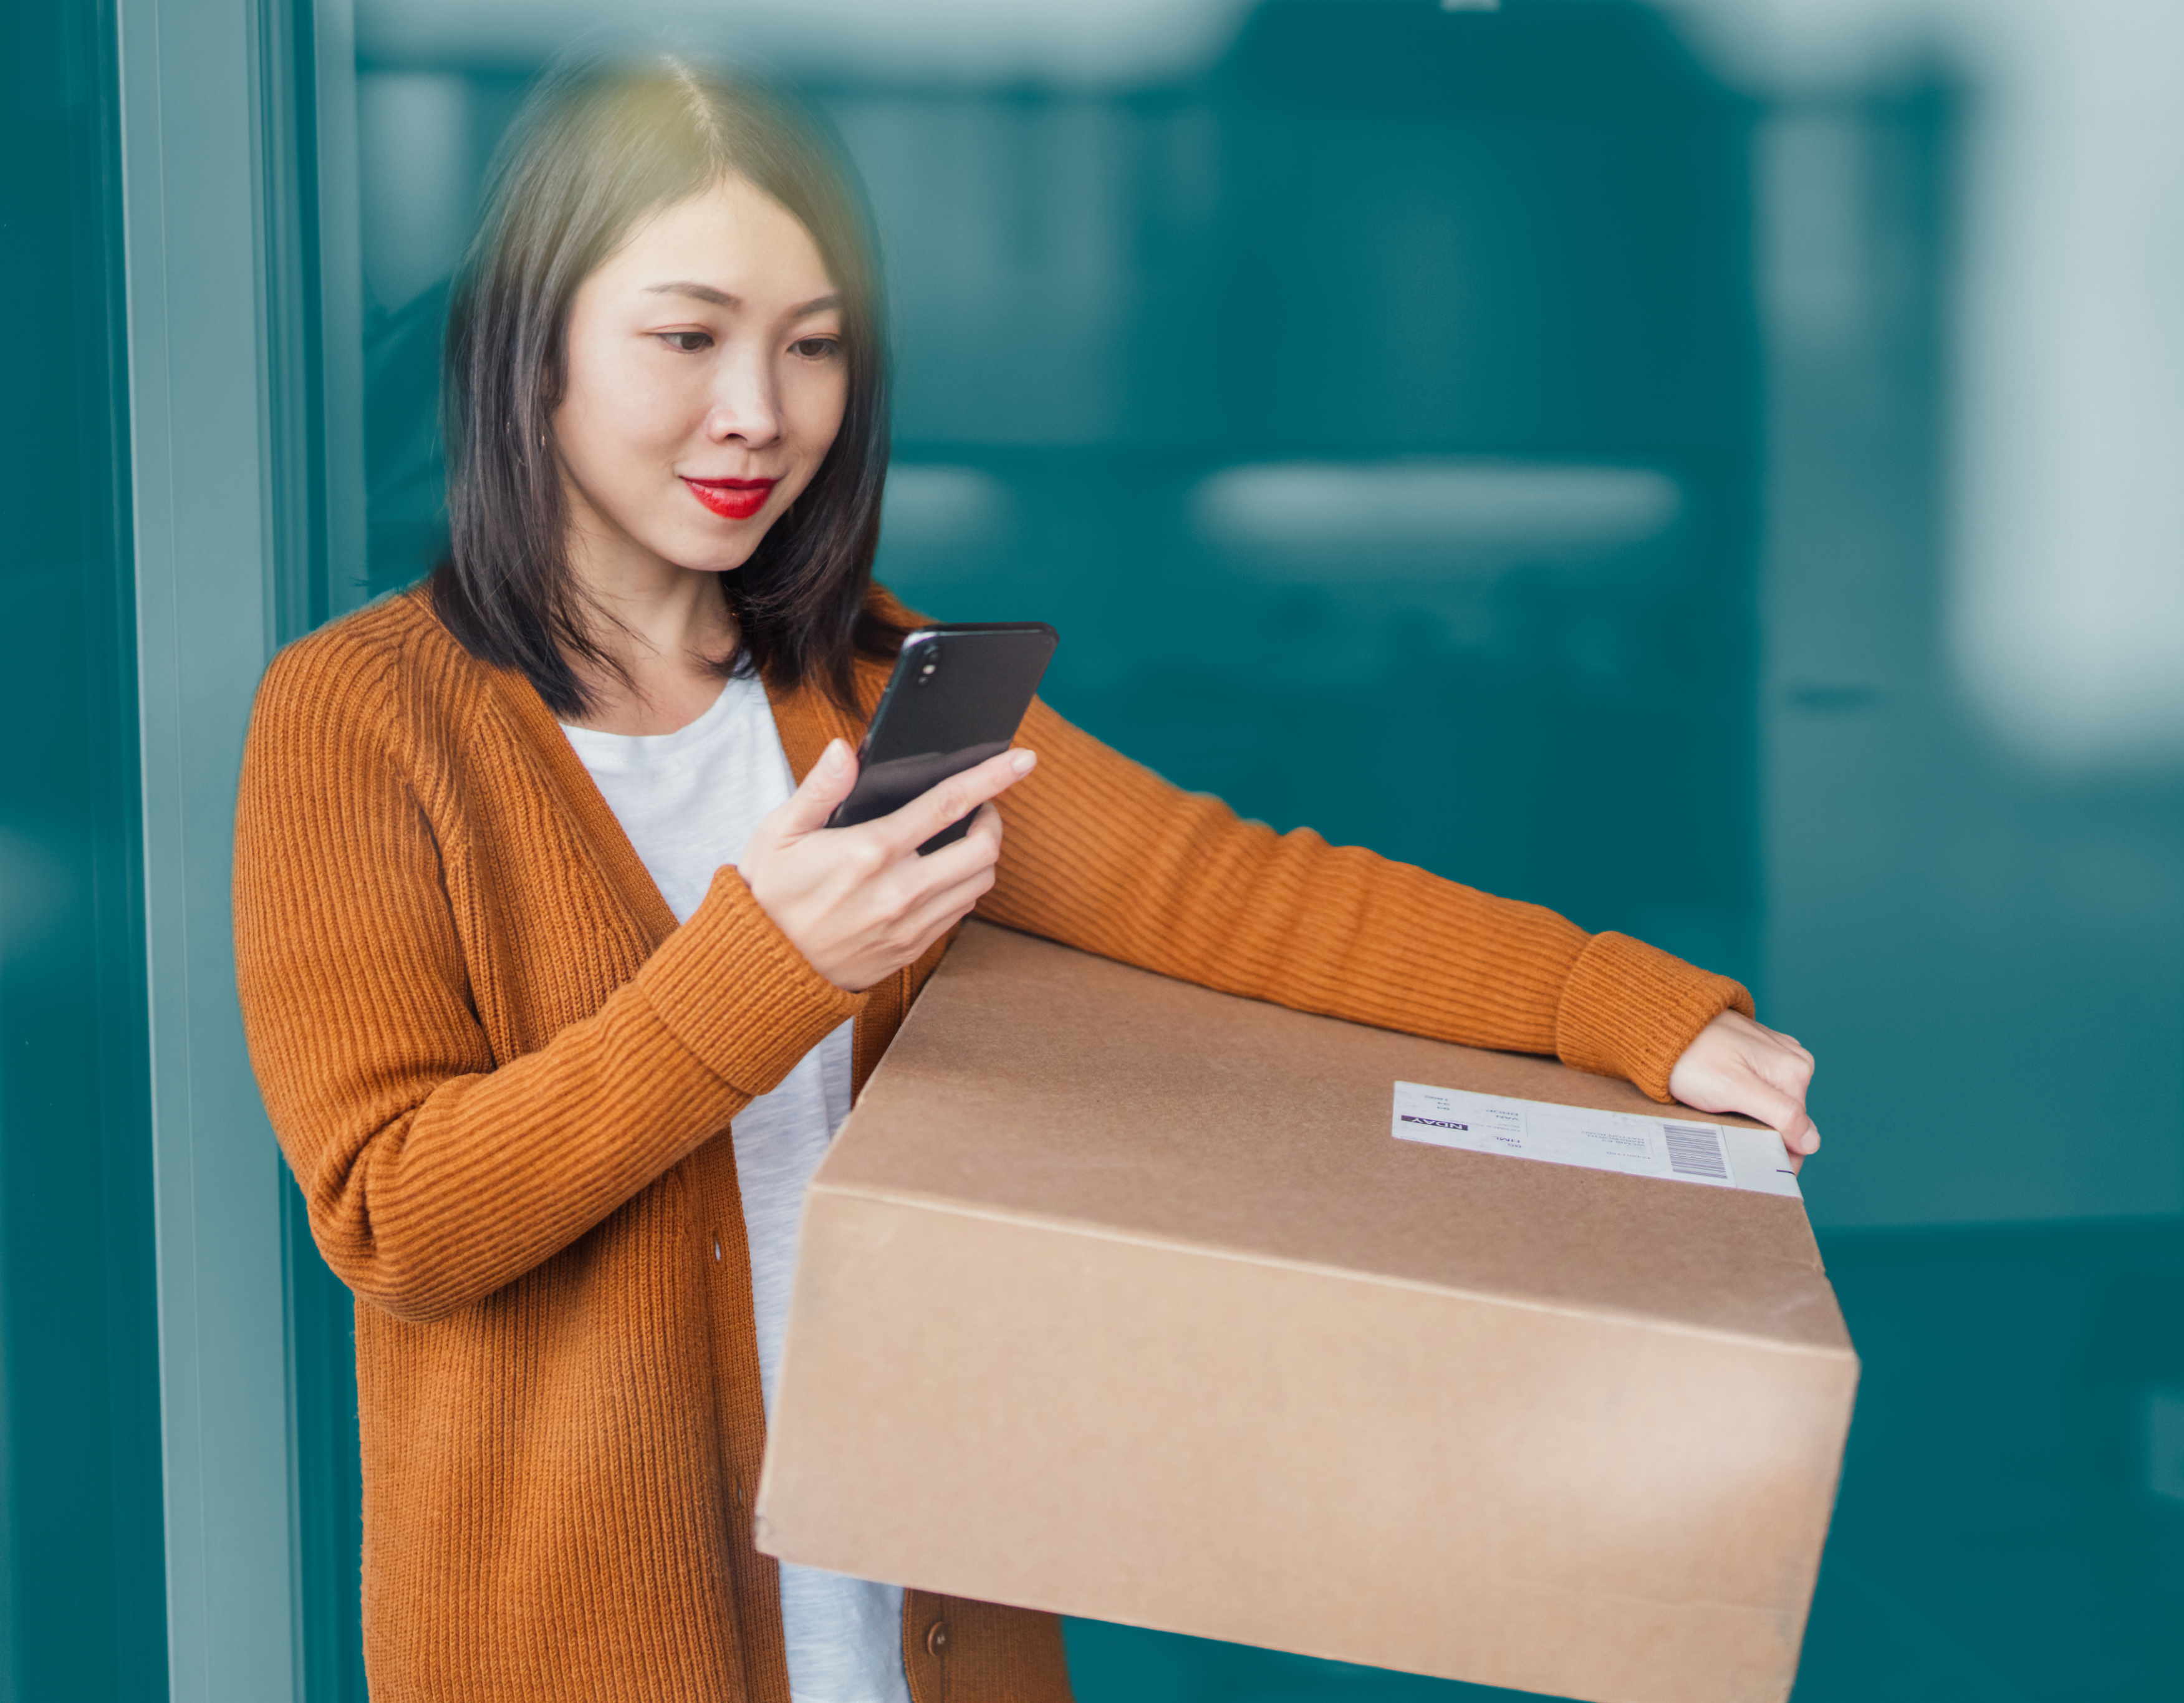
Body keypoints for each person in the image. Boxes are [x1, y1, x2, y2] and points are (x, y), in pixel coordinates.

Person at [232, 50, 1819, 1703]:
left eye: (815, 344)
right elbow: (399, 1215)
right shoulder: (364, 720)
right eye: (688, 336)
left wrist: (1624, 1008)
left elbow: (1233, 892)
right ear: (534, 338)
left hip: (930, 1638)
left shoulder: (871, 681)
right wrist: (764, 964)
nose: (760, 412)